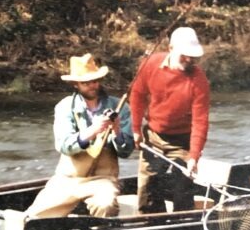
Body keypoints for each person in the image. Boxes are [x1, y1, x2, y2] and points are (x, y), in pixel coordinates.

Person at [26, 53, 134, 219]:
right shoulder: (65, 107)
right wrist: (94, 129)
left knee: (105, 205)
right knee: (32, 218)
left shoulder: (120, 107)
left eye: (95, 81)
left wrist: (116, 131)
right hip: (68, 179)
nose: (92, 86)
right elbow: (64, 145)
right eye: (86, 82)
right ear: (76, 84)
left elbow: (126, 151)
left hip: (103, 179)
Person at [129, 26, 210, 213]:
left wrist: (194, 157)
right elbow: (137, 96)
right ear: (171, 48)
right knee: (147, 187)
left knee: (183, 187)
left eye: (193, 56)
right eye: (185, 55)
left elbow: (200, 121)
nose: (189, 60)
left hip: (182, 140)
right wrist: (135, 129)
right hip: (154, 135)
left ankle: (184, 226)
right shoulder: (150, 65)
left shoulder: (199, 81)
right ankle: (149, 225)